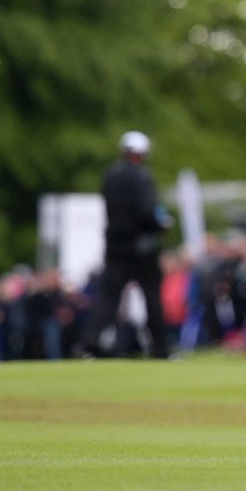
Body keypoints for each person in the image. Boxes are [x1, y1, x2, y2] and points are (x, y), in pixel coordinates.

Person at [81, 131, 171, 359]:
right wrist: (161, 226)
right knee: (152, 297)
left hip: (115, 246)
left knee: (108, 298)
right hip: (141, 248)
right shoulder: (142, 177)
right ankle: (160, 349)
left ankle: (90, 343)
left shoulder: (110, 176)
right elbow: (146, 212)